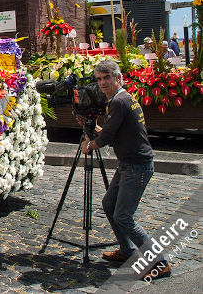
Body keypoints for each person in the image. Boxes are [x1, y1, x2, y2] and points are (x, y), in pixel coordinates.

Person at [76, 60, 170, 280]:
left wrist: (89, 145)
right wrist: (93, 128)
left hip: (137, 166)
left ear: (117, 78)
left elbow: (107, 138)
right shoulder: (122, 99)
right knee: (109, 204)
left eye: (107, 77)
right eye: (99, 79)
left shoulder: (119, 102)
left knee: (124, 216)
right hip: (129, 164)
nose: (102, 83)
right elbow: (114, 131)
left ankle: (160, 262)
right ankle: (127, 250)